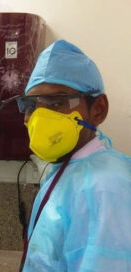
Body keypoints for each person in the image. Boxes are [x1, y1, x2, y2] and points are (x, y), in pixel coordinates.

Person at [16, 40, 131, 271]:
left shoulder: (106, 189)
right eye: (31, 105)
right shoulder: (71, 169)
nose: (39, 118)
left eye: (56, 103)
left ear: (98, 109)